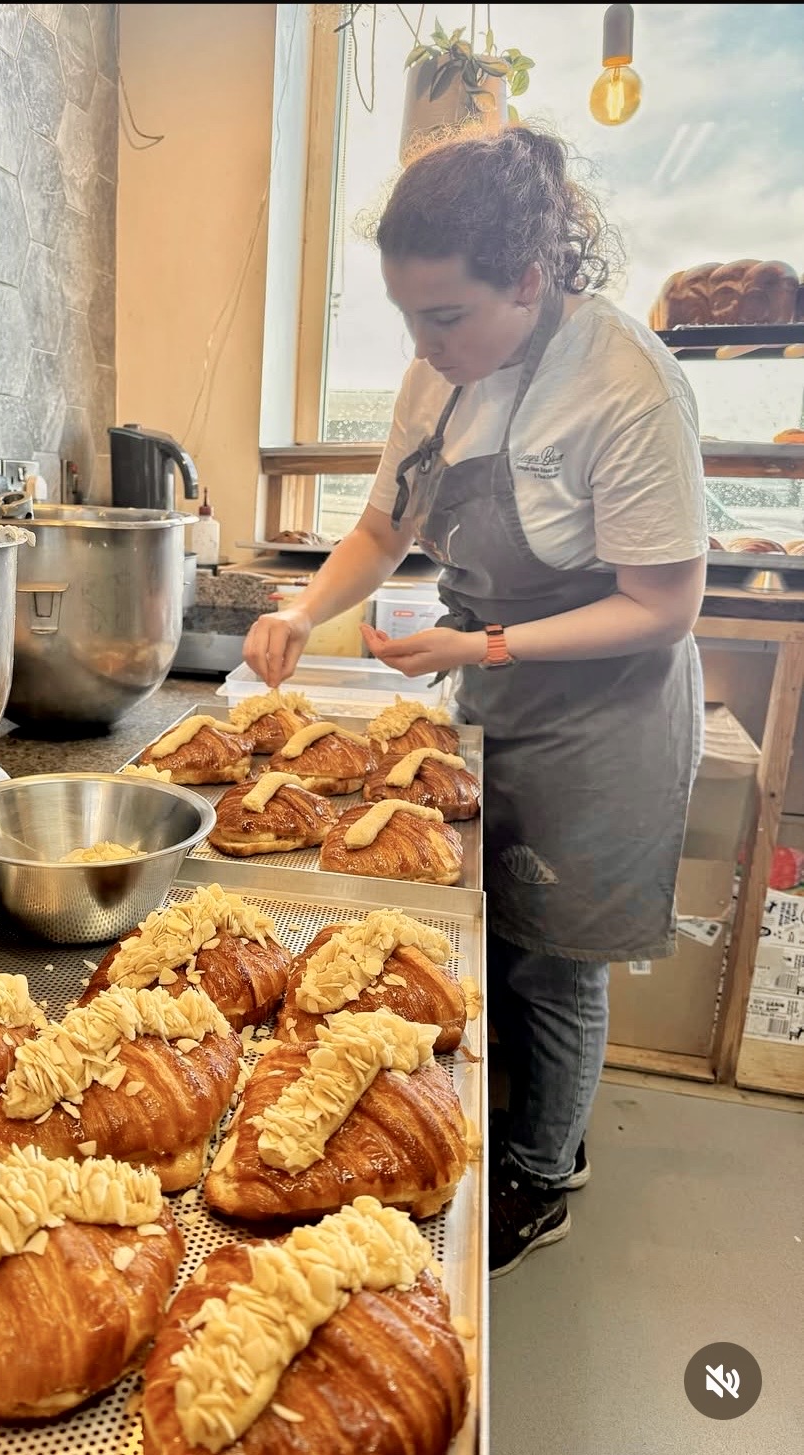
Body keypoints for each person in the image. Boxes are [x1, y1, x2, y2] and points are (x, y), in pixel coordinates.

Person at [243, 123, 706, 1277]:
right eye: (408, 317)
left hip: (606, 714)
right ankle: (513, 1122)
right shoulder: (436, 376)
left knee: (556, 956)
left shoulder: (625, 382)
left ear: (530, 280)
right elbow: (381, 527)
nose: (424, 342)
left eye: (445, 317)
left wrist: (485, 641)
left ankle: (544, 1176)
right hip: (492, 681)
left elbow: (662, 604)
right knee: (484, 928)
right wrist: (305, 612)